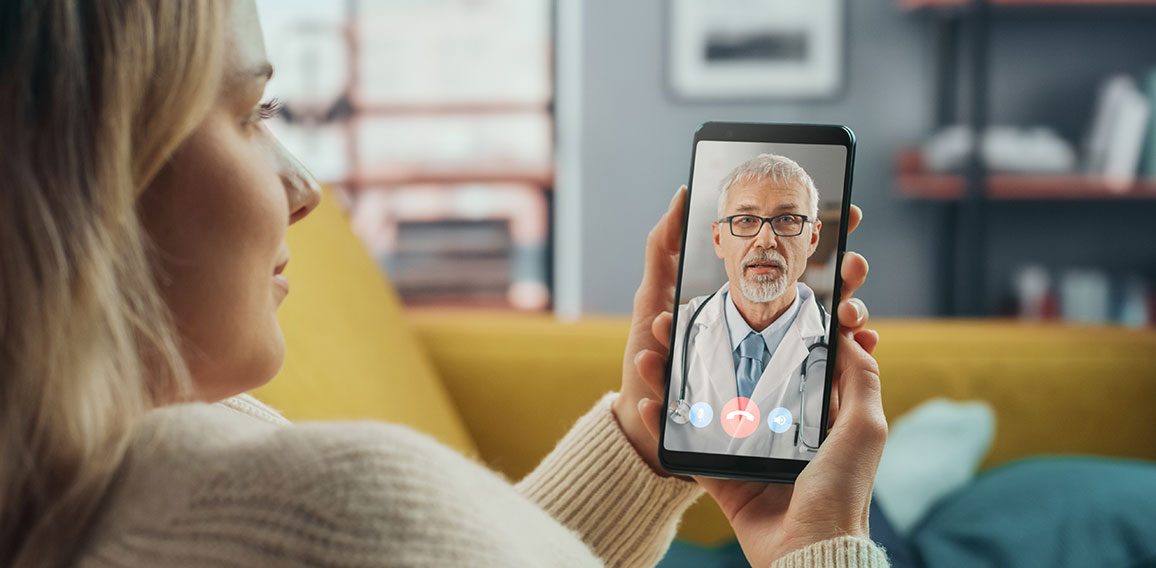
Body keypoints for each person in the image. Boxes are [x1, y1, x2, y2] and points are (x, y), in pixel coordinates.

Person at [0, 1, 890, 566]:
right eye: (253, 113)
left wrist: (640, 445)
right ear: (83, 182)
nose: (306, 191)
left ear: (811, 236)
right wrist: (819, 547)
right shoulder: (336, 512)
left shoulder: (78, 477)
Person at [666, 154, 834, 459]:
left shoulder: (837, 346)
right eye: (746, 220)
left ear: (812, 238)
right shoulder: (672, 334)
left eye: (787, 220)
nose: (765, 240)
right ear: (718, 238)